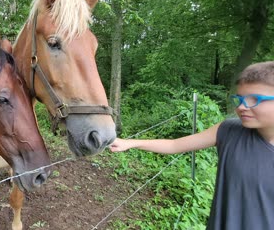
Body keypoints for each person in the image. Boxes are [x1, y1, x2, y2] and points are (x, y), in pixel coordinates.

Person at [109, 61, 274, 230]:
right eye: (238, 99)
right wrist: (129, 143)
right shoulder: (229, 130)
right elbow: (174, 145)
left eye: (254, 99)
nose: (241, 107)